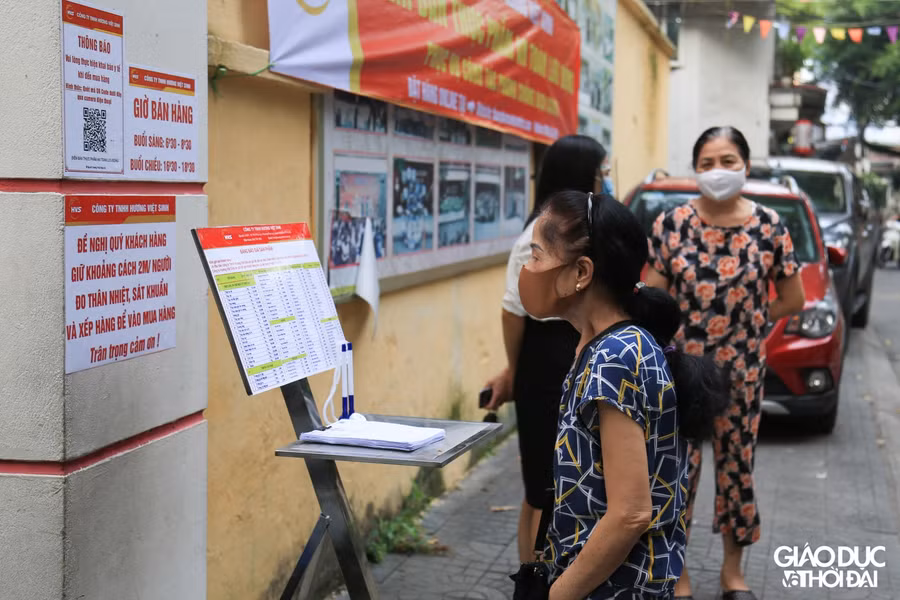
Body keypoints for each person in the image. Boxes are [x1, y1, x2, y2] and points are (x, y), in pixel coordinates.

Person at [517, 190, 726, 599]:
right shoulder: (600, 345)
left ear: (581, 271)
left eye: (537, 255)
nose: (528, 268)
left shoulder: (616, 357)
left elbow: (630, 513)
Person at [646, 126, 806, 600]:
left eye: (729, 160)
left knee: (737, 468)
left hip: (744, 372)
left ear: (746, 166)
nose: (719, 171)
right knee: (678, 469)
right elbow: (655, 301)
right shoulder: (670, 225)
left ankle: (733, 573)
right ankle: (676, 573)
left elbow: (792, 297)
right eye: (708, 162)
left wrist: (752, 324)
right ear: (696, 168)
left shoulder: (771, 226)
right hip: (683, 371)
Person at [483, 134, 608, 563]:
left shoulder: (589, 233)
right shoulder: (537, 238)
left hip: (576, 358)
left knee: (571, 481)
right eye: (600, 174)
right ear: (580, 177)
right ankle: (533, 582)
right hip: (547, 364)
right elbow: (512, 313)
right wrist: (515, 373)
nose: (605, 181)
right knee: (542, 488)